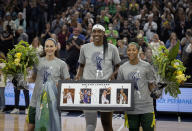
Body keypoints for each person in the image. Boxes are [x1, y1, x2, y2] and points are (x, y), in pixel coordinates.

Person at [75, 24, 121, 131]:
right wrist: (77, 76)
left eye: (99, 31)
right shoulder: (85, 48)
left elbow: (118, 65)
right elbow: (81, 65)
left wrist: (113, 74)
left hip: (106, 89)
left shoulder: (112, 48)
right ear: (92, 33)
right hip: (87, 88)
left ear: (104, 34)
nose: (96, 34)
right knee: (90, 124)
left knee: (106, 124)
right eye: (94, 31)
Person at [27, 38, 70, 131]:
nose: (49, 48)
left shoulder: (61, 64)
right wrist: (20, 79)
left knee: (49, 128)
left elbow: (67, 83)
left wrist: (60, 85)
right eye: (47, 46)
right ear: (44, 48)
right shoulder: (37, 61)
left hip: (52, 104)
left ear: (55, 48)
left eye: (51, 46)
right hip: (35, 101)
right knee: (30, 127)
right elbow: (32, 79)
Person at [117, 42, 156, 131]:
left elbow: (151, 85)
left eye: (134, 50)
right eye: (129, 50)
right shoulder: (122, 68)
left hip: (147, 107)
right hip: (131, 108)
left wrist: (156, 91)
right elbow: (120, 88)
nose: (131, 52)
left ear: (138, 51)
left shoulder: (147, 66)